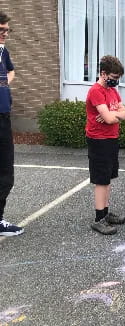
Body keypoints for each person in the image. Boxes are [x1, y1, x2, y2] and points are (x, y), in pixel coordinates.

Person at [85, 55, 125, 235]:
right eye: (114, 78)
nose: (115, 82)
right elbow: (111, 118)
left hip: (111, 138)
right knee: (101, 181)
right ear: (103, 74)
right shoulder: (96, 91)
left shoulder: (113, 92)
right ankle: (99, 219)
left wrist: (113, 113)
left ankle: (106, 212)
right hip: (98, 140)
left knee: (108, 178)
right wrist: (114, 113)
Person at [0, 11, 23, 236]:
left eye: (7, 30)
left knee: (6, 171)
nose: (5, 34)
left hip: (3, 116)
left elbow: (11, 71)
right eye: (1, 30)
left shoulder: (3, 51)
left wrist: (4, 81)